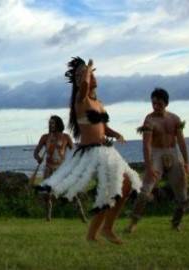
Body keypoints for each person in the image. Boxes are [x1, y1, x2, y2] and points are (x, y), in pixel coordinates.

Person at [36, 57, 142, 244]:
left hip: (105, 149)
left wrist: (116, 134)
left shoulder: (99, 103)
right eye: (77, 75)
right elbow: (83, 86)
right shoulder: (80, 99)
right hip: (91, 153)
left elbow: (104, 128)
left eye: (83, 73)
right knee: (113, 189)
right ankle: (103, 230)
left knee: (124, 187)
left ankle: (96, 232)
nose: (80, 77)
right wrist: (88, 68)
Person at [126, 88, 189, 233]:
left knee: (182, 194)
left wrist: (187, 162)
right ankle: (133, 223)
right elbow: (146, 146)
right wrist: (149, 168)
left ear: (166, 103)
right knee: (145, 191)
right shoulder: (149, 120)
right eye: (153, 103)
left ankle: (176, 223)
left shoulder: (175, 119)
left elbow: (181, 142)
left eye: (159, 103)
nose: (155, 106)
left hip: (173, 152)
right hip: (156, 153)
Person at [33, 115, 87, 222]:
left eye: (52, 123)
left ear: (58, 124)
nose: (50, 125)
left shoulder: (66, 137)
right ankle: (48, 218)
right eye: (50, 123)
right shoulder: (45, 137)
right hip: (49, 169)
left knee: (72, 192)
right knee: (47, 195)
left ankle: (83, 217)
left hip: (62, 169)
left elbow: (74, 152)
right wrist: (38, 158)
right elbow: (35, 152)